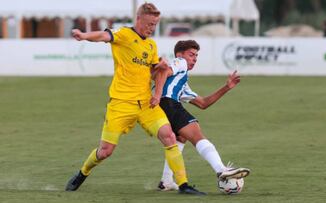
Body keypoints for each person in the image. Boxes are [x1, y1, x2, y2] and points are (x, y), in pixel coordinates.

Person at [65, 3, 205, 195]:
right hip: (121, 104)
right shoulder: (123, 34)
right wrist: (84, 35)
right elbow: (103, 36)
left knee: (169, 136)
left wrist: (160, 70)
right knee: (105, 151)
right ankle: (83, 172)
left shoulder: (151, 45)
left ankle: (183, 185)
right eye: (149, 23)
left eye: (155, 24)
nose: (152, 28)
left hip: (146, 104)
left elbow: (156, 72)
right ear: (139, 19)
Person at [152, 40, 250, 191]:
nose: (194, 59)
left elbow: (203, 103)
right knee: (196, 133)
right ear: (180, 54)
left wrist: (227, 87)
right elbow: (164, 71)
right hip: (167, 103)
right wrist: (158, 94)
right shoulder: (180, 62)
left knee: (181, 137)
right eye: (191, 55)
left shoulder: (181, 82)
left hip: (161, 106)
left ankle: (166, 181)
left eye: (196, 56)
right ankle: (221, 170)